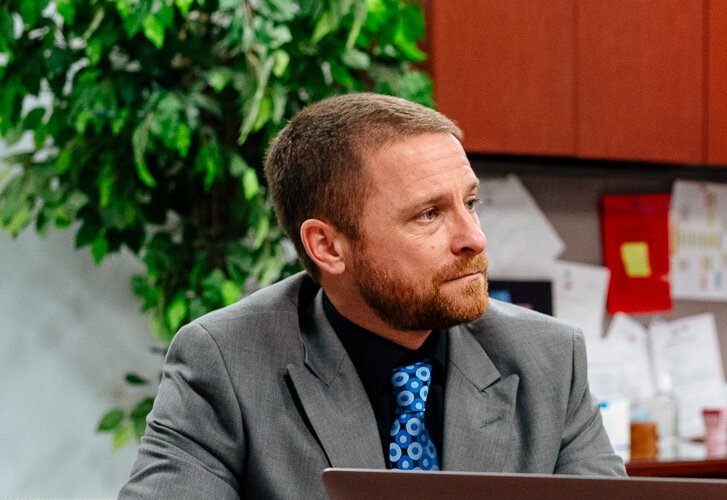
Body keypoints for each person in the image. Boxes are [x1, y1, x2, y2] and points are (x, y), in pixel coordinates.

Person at [121, 93, 625, 499]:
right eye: (428, 214)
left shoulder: (551, 359)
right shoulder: (226, 361)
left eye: (470, 203)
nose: (474, 237)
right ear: (327, 246)